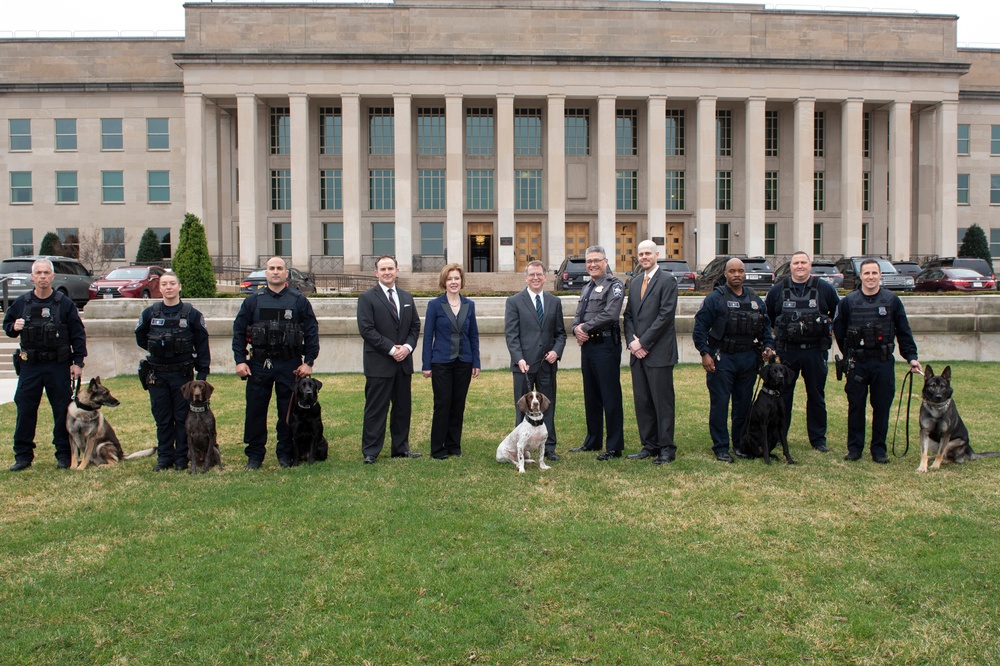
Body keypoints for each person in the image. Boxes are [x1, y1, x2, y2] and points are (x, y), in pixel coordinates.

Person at [232, 257, 320, 469]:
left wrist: (309, 362)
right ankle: (254, 456)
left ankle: (285, 454)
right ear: (266, 273)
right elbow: (239, 331)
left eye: (280, 268)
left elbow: (311, 331)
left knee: (287, 413)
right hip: (259, 365)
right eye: (271, 268)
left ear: (286, 273)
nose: (275, 272)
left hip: (289, 364)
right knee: (255, 411)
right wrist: (240, 360)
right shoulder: (253, 301)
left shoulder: (298, 300)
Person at [833, 258, 922, 463]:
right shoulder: (848, 302)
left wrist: (911, 358)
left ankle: (878, 450)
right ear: (860, 276)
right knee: (856, 406)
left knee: (881, 406)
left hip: (882, 362)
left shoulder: (891, 301)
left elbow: (903, 331)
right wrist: (848, 354)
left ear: (880, 275)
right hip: (858, 363)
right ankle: (854, 449)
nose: (870, 277)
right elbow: (840, 330)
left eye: (874, 273)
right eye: (866, 274)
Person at [3, 258, 86, 471]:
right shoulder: (21, 303)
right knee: (25, 409)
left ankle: (63, 454)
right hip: (30, 365)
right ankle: (23, 456)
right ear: (32, 277)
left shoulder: (64, 303)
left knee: (61, 410)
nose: (42, 276)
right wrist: (15, 326)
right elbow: (8, 327)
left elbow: (77, 334)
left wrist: (78, 362)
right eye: (38, 273)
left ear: (52, 276)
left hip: (57, 365)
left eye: (46, 273)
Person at [692, 257, 775, 462]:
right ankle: (721, 446)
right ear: (725, 274)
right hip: (722, 358)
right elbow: (699, 329)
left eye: (740, 271)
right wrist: (705, 353)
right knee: (720, 404)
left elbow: (766, 328)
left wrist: (768, 346)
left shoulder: (755, 299)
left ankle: (740, 443)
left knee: (743, 405)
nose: (737, 275)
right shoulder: (715, 298)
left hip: (748, 358)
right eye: (732, 271)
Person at [134, 270, 211, 471]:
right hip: (157, 375)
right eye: (164, 284)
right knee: (163, 418)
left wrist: (202, 374)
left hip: (182, 376)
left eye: (172, 284)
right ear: (159, 288)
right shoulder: (150, 313)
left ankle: (181, 458)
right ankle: (165, 457)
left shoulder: (192, 314)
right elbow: (141, 338)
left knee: (181, 418)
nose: (168, 287)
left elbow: (202, 344)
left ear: (179, 287)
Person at [765, 251, 840, 452]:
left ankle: (818, 439)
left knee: (816, 395)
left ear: (810, 265)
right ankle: (780, 436)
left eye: (803, 262)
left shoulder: (825, 289)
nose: (800, 266)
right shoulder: (778, 290)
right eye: (796, 263)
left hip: (815, 352)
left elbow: (838, 314)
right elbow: (768, 318)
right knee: (782, 396)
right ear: (790, 266)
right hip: (787, 352)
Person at [357, 255, 422, 464]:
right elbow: (366, 329)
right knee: (376, 409)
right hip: (379, 364)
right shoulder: (367, 298)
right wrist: (391, 350)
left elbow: (414, 327)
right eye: (383, 269)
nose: (387, 272)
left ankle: (401, 448)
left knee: (403, 409)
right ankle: (371, 451)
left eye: (390, 268)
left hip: (403, 364)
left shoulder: (406, 297)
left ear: (397, 271)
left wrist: (408, 348)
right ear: (376, 273)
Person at [504, 260, 566, 462]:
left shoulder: (554, 302)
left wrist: (556, 352)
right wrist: (519, 358)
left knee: (547, 405)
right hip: (524, 365)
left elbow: (560, 334)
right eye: (532, 274)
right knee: (523, 407)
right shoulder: (514, 302)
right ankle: (520, 448)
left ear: (545, 276)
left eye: (539, 274)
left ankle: (548, 447)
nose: (536, 278)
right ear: (526, 277)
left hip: (547, 364)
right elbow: (511, 335)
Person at [623, 240, 679, 465]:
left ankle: (666, 448)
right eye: (641, 254)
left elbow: (666, 316)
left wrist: (644, 342)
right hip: (637, 354)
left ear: (657, 254)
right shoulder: (635, 282)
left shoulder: (667, 281)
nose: (644, 257)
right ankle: (649, 444)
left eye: (648, 253)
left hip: (659, 353)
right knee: (643, 401)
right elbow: (628, 316)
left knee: (662, 402)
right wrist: (632, 342)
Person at [568, 245, 625, 460]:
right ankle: (592, 441)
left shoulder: (614, 285)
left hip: (606, 347)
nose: (592, 264)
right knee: (591, 396)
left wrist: (585, 327)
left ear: (606, 261)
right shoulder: (587, 287)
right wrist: (576, 328)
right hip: (588, 347)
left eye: (597, 260)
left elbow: (611, 314)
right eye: (589, 261)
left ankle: (614, 446)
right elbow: (577, 315)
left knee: (610, 396)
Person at [421, 264, 481, 459]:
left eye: (456, 278)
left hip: (464, 361)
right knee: (442, 403)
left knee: (458, 404)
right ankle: (438, 448)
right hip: (441, 362)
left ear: (461, 281)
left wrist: (476, 362)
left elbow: (473, 335)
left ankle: (454, 446)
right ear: (444, 282)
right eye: (449, 279)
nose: (453, 282)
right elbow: (428, 335)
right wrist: (426, 364)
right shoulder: (435, 305)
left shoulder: (469, 305)